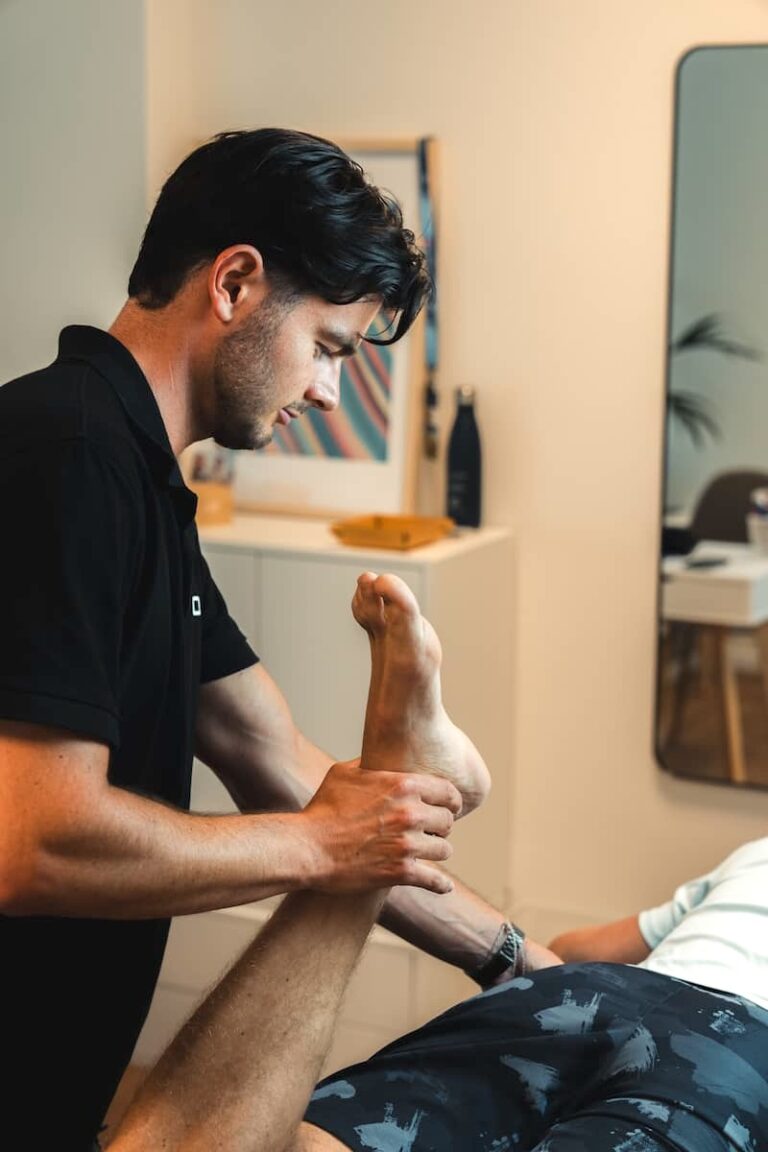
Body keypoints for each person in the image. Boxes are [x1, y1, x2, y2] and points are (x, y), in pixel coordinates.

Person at [0, 128, 521, 1151]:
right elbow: (35, 837)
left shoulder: (140, 480)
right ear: (235, 282)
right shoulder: (66, 455)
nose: (328, 392)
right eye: (327, 348)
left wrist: (514, 961)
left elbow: (270, 754)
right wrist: (324, 847)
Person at [108, 576, 767, 1152]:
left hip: (580, 997)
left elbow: (576, 952)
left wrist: (568, 1001)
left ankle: (399, 771)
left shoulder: (754, 858)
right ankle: (397, 773)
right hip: (732, 1046)